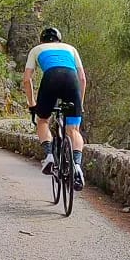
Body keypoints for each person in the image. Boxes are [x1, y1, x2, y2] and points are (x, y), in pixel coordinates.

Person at [23, 27, 87, 190]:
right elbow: (82, 78)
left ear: (42, 40)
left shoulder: (36, 49)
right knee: (73, 130)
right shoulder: (71, 48)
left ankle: (50, 155)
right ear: (59, 39)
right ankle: (77, 166)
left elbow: (26, 79)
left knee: (43, 121)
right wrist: (80, 103)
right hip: (71, 80)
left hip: (51, 78)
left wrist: (32, 103)